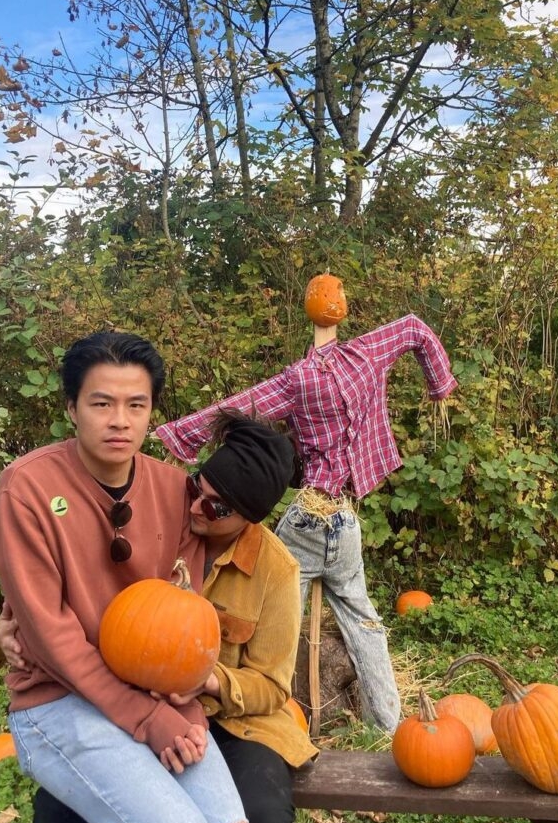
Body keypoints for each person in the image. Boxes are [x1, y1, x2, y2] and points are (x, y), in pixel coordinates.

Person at [0, 409, 318, 823]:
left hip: (235, 722)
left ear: (249, 519)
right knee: (57, 811)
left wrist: (209, 684)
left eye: (217, 507)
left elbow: (273, 687)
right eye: (195, 489)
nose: (195, 508)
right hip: (138, 707)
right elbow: (76, 606)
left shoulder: (277, 573)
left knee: (261, 818)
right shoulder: (153, 522)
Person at [156, 277, 458, 733]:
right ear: (341, 307)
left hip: (308, 515)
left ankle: (256, 715)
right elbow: (415, 327)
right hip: (344, 516)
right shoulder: (368, 353)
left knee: (265, 615)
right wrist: (440, 386)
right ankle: (390, 724)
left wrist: (178, 437)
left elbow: (238, 407)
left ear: (309, 309)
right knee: (363, 620)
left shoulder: (298, 380)